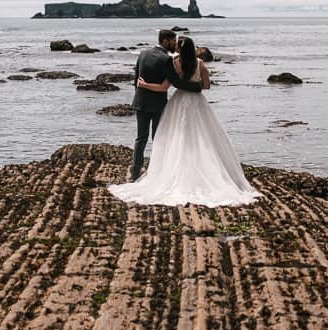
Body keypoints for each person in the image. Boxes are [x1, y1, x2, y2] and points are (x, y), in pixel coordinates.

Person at [108, 36, 259, 207]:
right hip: (197, 102)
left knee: (175, 138)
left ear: (179, 49)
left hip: (178, 102)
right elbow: (207, 86)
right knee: (203, 138)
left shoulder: (174, 63)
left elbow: (168, 86)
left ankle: (162, 172)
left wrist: (143, 85)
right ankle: (205, 172)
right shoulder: (200, 63)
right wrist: (198, 82)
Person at [126, 29, 201, 181]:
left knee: (140, 139)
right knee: (158, 138)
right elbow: (176, 82)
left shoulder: (143, 54)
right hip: (157, 104)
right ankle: (156, 171)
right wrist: (196, 87)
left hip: (140, 102)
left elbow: (136, 79)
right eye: (173, 41)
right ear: (165, 40)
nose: (175, 44)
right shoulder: (166, 59)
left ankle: (135, 173)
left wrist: (140, 94)